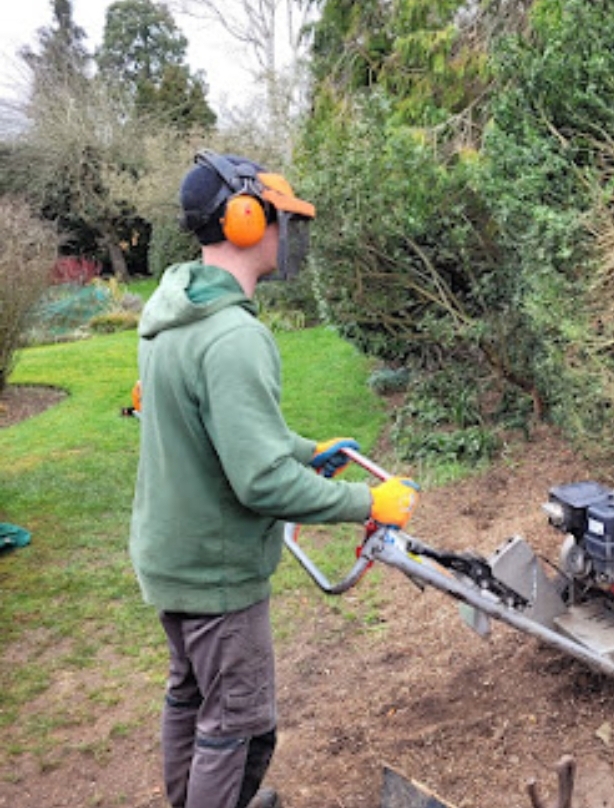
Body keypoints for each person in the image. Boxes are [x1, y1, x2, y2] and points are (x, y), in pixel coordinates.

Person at [129, 150, 419, 808]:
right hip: (217, 574)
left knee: (190, 697)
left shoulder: (173, 316)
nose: (289, 236)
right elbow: (261, 484)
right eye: (281, 220)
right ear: (243, 219)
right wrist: (369, 501)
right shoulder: (233, 337)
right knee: (239, 726)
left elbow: (220, 432)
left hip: (172, 558)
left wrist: (305, 449)